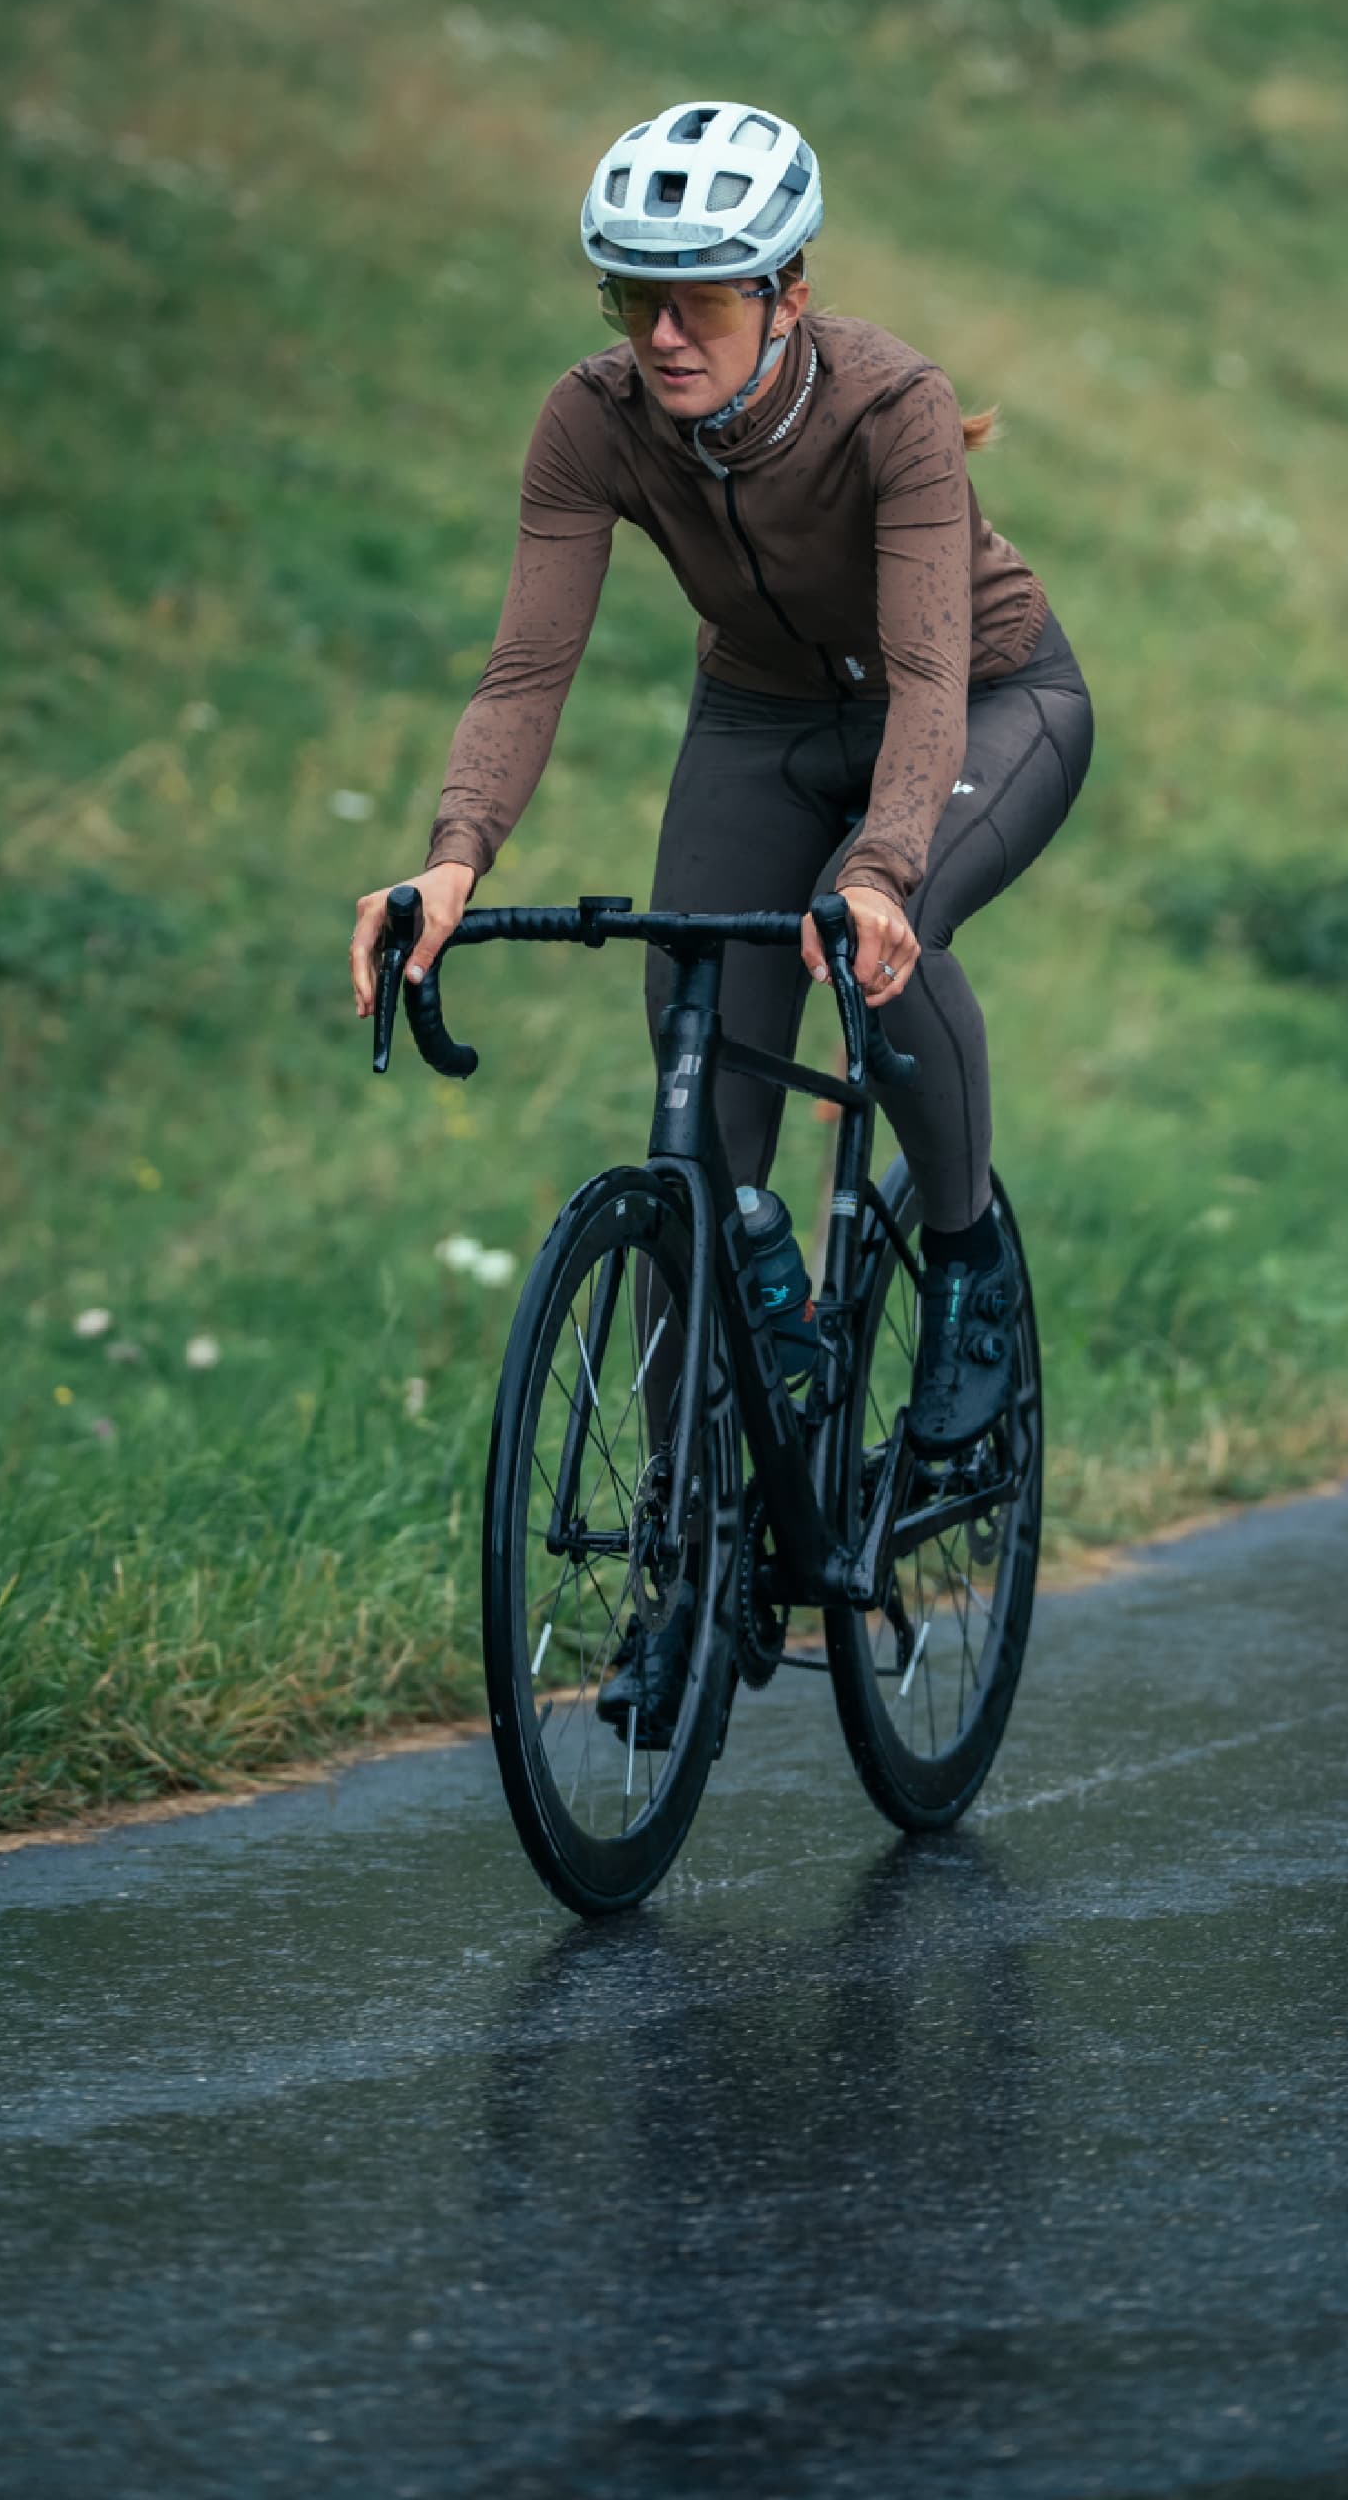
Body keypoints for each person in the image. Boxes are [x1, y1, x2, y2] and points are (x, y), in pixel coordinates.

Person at [345, 103, 1090, 1502]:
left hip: (991, 700)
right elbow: (523, 672)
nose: (662, 332)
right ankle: (681, 1552)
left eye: (697, 296)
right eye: (634, 294)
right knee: (695, 1120)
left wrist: (878, 865)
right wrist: (449, 861)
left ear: (787, 288)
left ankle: (965, 1252)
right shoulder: (592, 419)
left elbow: (929, 674)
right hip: (760, 718)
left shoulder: (892, 404)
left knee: (882, 934)